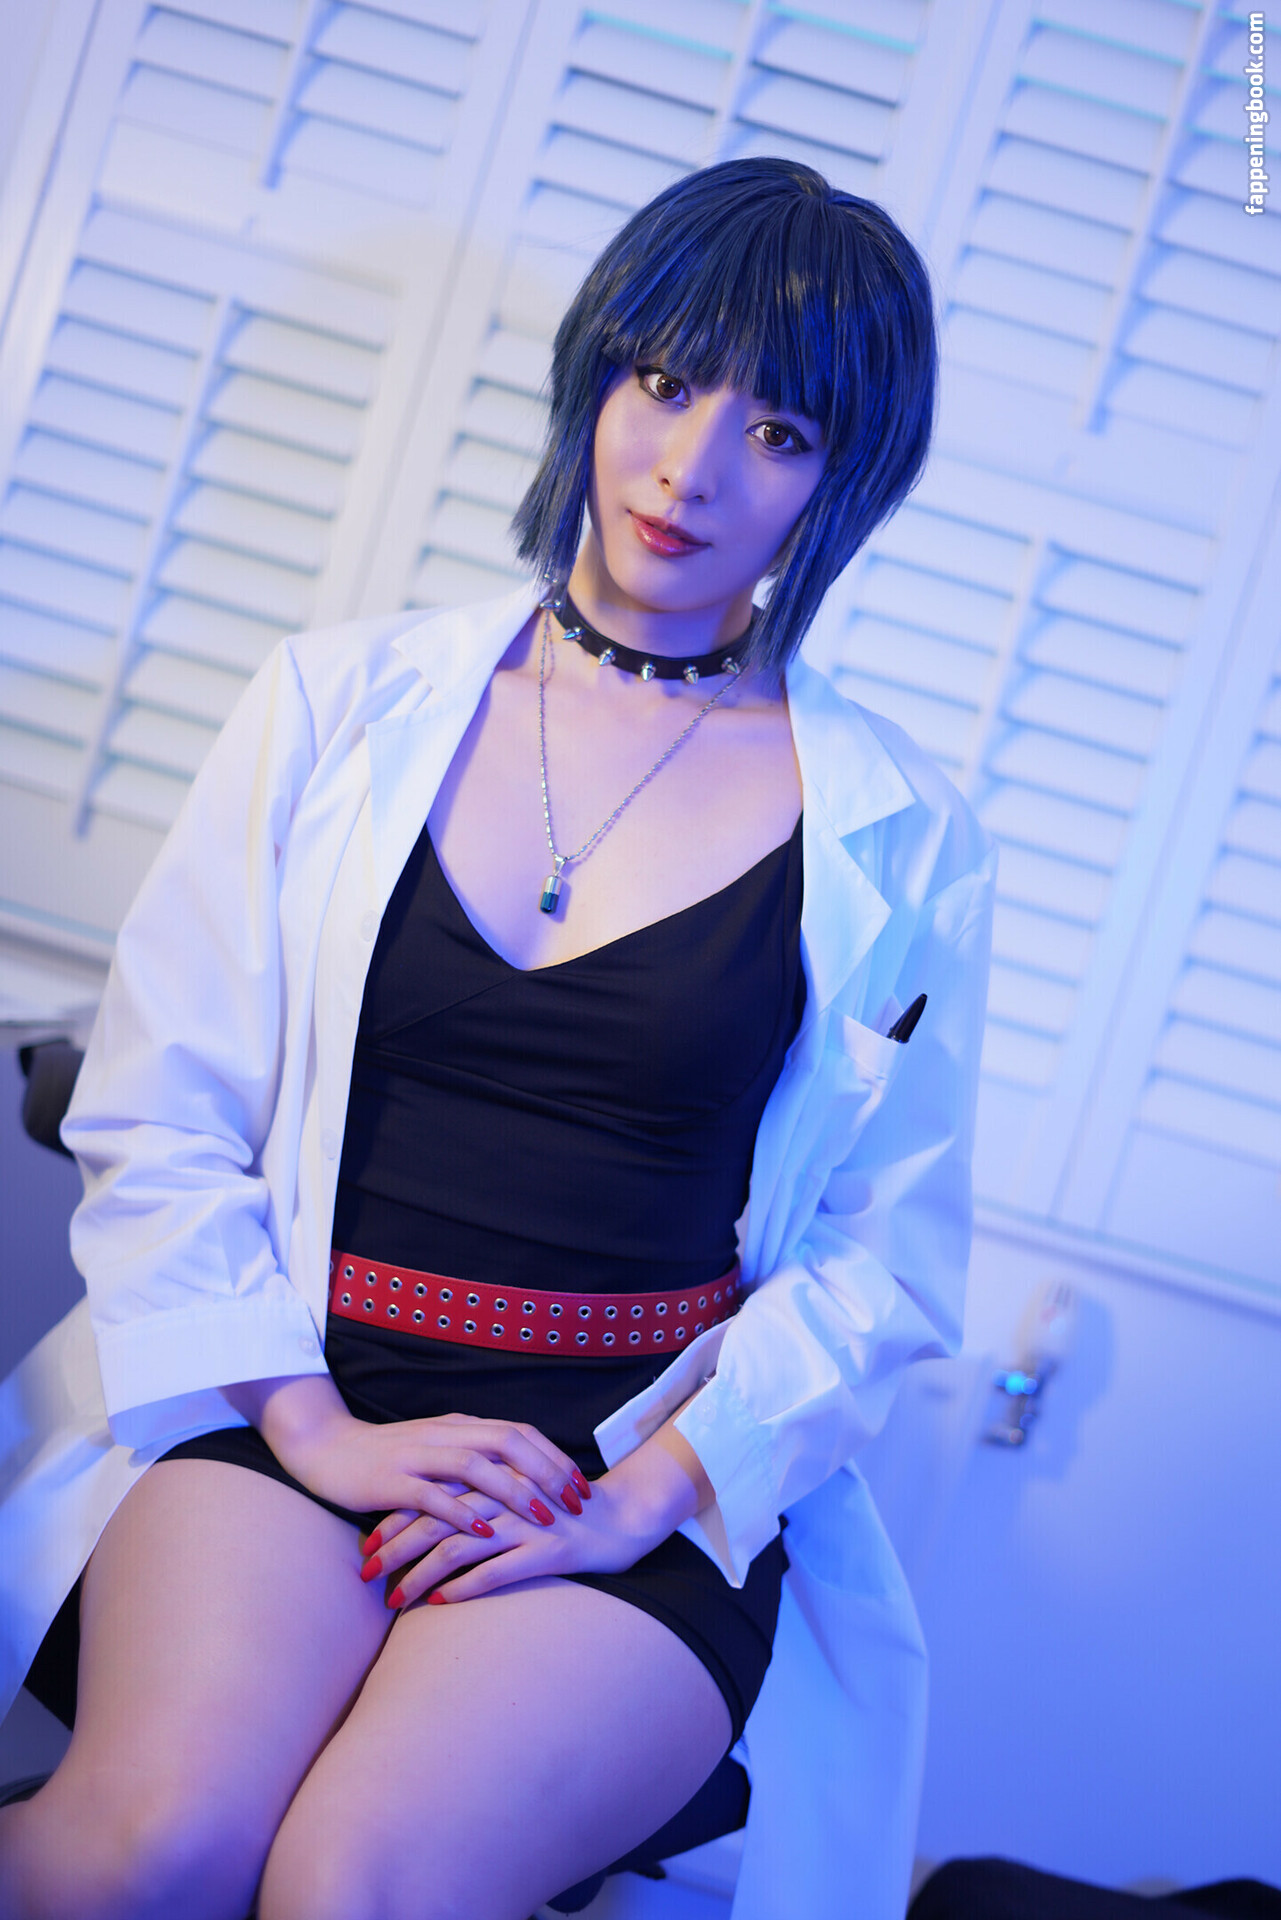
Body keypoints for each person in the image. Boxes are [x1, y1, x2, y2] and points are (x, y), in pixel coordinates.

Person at [0, 157, 994, 1920]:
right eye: (664, 382)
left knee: (358, 1888)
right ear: (596, 373)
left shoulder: (905, 835)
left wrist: (641, 1496)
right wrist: (315, 1426)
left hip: (622, 1475)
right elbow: (160, 1112)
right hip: (292, 1388)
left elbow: (879, 1260)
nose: (689, 470)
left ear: (843, 482)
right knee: (152, 1850)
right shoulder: (334, 700)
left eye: (777, 433)